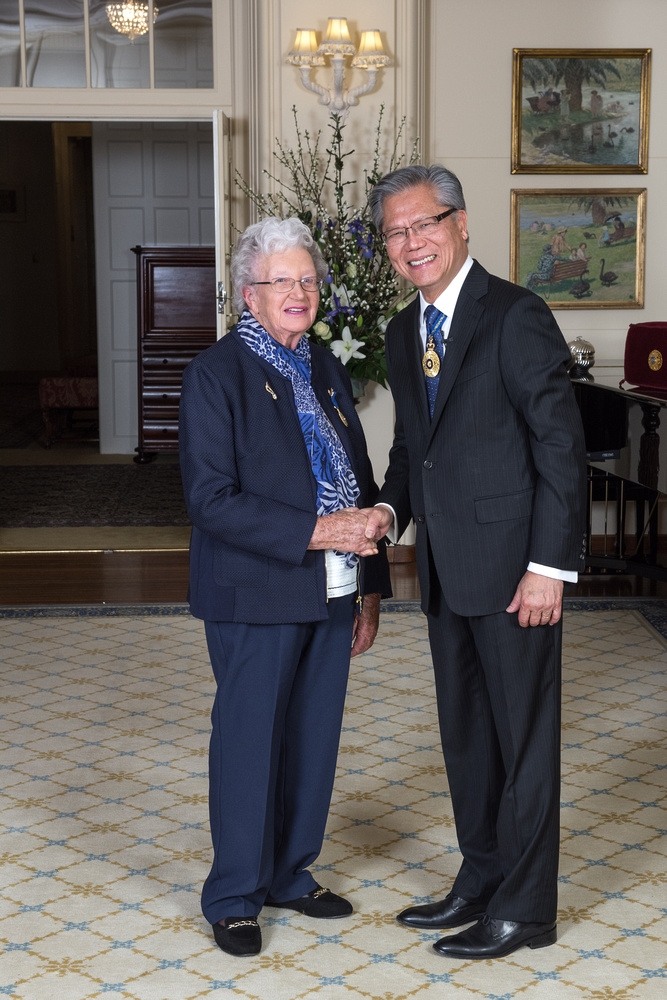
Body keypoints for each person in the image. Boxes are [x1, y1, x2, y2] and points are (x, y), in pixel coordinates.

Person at [363, 165, 587, 960]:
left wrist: (547, 568)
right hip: (443, 571)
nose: (410, 243)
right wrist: (388, 513)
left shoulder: (516, 316)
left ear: (461, 224)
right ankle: (482, 877)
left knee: (524, 745)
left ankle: (525, 911)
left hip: (514, 572)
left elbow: (560, 450)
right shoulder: (401, 332)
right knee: (467, 738)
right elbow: (410, 453)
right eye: (395, 232)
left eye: (423, 224)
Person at [179, 217, 391, 957]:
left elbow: (356, 481)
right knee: (248, 742)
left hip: (330, 589)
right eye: (281, 281)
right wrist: (318, 532)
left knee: (310, 737)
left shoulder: (324, 366)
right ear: (249, 294)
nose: (298, 292)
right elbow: (209, 499)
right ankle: (234, 895)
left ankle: (289, 874)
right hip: (253, 590)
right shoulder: (216, 374)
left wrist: (368, 587)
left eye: (307, 279)